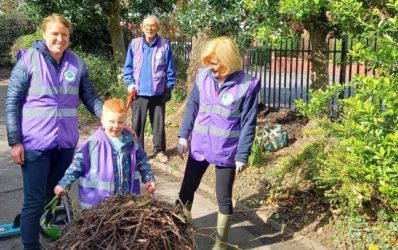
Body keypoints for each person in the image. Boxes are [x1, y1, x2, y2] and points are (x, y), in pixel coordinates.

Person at [5, 14, 103, 250]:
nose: (60, 39)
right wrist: (15, 141)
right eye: (55, 34)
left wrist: (111, 118)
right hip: (35, 146)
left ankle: (38, 224)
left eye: (64, 35)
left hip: (66, 145)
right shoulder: (29, 60)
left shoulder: (76, 63)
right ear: (44, 35)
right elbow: (12, 102)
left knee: (53, 194)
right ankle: (31, 245)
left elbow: (90, 96)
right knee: (34, 199)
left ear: (69, 37)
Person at [176, 36, 261, 250]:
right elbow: (192, 107)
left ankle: (220, 245)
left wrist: (243, 155)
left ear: (228, 61)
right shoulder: (203, 77)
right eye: (209, 62)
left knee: (224, 198)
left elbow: (248, 122)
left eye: (214, 63)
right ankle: (179, 233)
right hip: (200, 147)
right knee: (186, 189)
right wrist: (183, 135)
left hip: (226, 151)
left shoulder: (247, 85)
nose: (210, 67)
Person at [54, 98, 156, 208]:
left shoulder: (131, 142)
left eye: (120, 122)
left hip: (127, 200)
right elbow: (77, 165)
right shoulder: (92, 143)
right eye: (111, 121)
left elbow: (142, 160)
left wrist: (149, 179)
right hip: (98, 204)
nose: (116, 126)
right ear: (102, 120)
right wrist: (64, 184)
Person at [123, 15, 176, 163]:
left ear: (157, 27)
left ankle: (159, 151)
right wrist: (130, 83)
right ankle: (138, 152)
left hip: (158, 93)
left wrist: (168, 89)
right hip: (138, 93)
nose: (149, 28)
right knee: (137, 125)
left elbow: (170, 69)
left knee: (158, 125)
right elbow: (127, 68)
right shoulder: (134, 44)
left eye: (152, 25)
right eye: (146, 26)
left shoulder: (165, 45)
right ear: (142, 28)